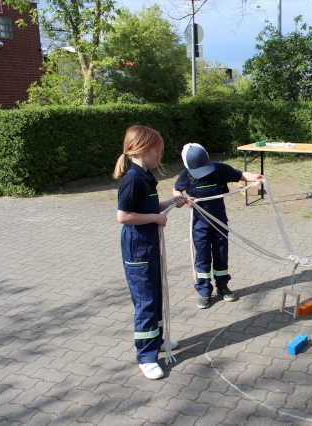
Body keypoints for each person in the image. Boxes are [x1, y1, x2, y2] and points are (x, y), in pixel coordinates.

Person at [114, 125, 187, 380]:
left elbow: (147, 206)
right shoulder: (132, 179)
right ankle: (146, 356)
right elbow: (123, 216)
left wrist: (168, 204)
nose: (160, 156)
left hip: (149, 247)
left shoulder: (144, 177)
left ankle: (157, 341)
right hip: (138, 251)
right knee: (145, 302)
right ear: (144, 149)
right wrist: (155, 218)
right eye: (158, 151)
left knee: (155, 296)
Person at [173, 143, 262, 310]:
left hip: (220, 222)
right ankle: (204, 291)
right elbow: (176, 190)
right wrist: (184, 200)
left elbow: (241, 175)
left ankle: (223, 286)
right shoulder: (186, 175)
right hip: (200, 225)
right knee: (203, 257)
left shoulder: (219, 169)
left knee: (221, 254)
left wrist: (255, 177)